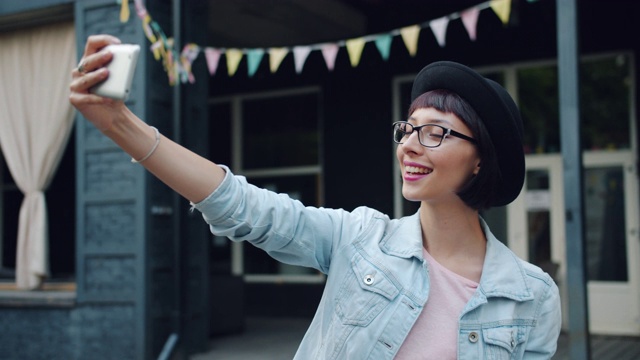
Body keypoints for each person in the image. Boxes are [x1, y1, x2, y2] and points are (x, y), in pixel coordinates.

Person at [70, 35, 561, 359]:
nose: (410, 144)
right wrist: (120, 124)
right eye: (408, 129)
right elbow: (244, 207)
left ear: (481, 159)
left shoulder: (532, 297)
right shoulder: (361, 238)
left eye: (437, 132)